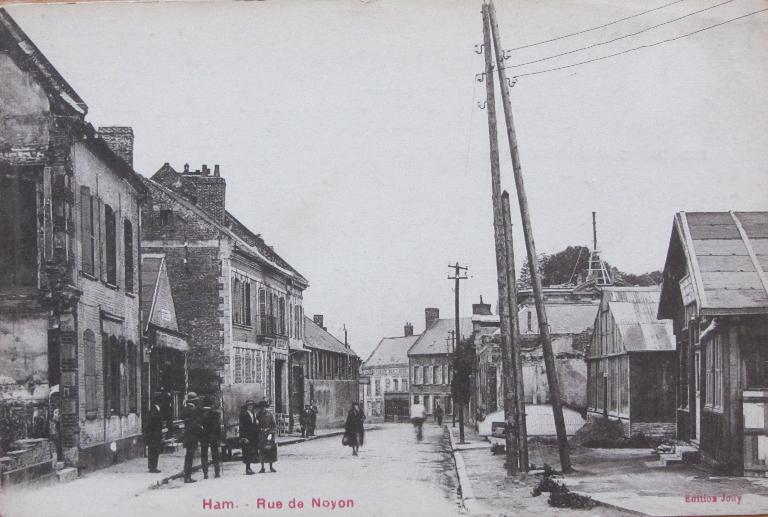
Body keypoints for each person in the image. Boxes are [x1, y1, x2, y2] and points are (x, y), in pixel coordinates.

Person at [182, 392, 202, 483]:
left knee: (189, 457)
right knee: (189, 457)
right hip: (191, 437)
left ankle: (188, 476)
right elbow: (192, 423)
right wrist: (199, 427)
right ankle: (187, 477)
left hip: (190, 436)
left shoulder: (189, 408)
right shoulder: (190, 409)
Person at [200, 398, 222, 479]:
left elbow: (199, 426)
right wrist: (219, 437)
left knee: (204, 454)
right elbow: (218, 426)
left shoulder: (201, 414)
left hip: (204, 436)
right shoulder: (215, 414)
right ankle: (217, 472)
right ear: (211, 405)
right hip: (213, 436)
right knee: (215, 454)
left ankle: (205, 473)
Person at [255, 400, 277, 473]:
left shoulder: (269, 414)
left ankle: (271, 467)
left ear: (266, 407)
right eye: (261, 407)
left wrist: (271, 432)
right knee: (262, 451)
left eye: (264, 407)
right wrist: (259, 428)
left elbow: (273, 425)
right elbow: (255, 425)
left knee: (270, 450)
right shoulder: (258, 415)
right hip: (261, 435)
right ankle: (262, 467)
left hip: (269, 434)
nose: (263, 408)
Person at [145, 394, 164, 473]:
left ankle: (152, 466)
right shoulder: (154, 411)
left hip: (153, 435)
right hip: (154, 435)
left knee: (153, 451)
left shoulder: (155, 410)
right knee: (154, 451)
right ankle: (153, 467)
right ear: (159, 403)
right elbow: (152, 423)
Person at [239, 400, 258, 475]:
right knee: (246, 452)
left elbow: (253, 424)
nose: (251, 406)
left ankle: (249, 468)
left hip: (252, 435)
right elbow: (242, 426)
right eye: (249, 405)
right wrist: (243, 437)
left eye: (252, 405)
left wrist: (256, 422)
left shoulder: (253, 413)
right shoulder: (243, 414)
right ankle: (247, 469)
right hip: (246, 435)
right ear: (247, 406)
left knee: (250, 452)